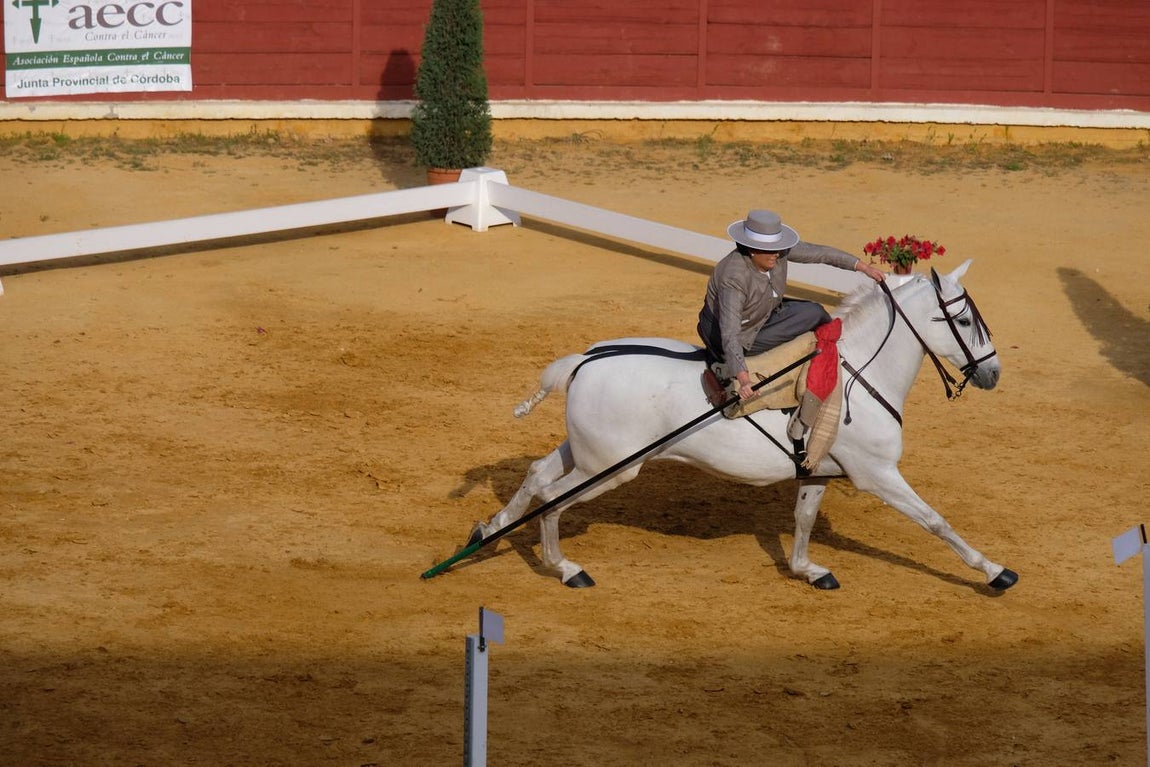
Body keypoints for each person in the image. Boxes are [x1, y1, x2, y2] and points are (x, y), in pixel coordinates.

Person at [697, 209, 886, 401]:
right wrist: (744, 380)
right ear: (752, 250)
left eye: (778, 247)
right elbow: (730, 333)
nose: (776, 254)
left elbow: (820, 253)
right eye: (770, 250)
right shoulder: (734, 277)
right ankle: (725, 367)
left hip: (764, 316)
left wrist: (863, 267)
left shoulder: (777, 252)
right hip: (733, 334)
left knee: (816, 312)